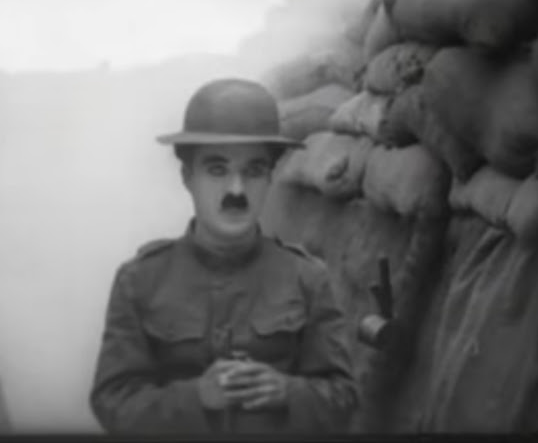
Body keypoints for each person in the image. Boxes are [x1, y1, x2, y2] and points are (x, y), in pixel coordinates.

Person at [89, 78, 358, 435]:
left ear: (270, 178)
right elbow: (113, 403)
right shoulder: (140, 280)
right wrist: (196, 397)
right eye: (217, 170)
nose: (236, 190)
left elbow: (344, 399)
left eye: (254, 171)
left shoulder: (307, 278)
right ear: (188, 178)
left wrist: (288, 392)